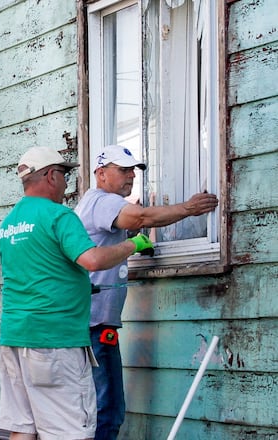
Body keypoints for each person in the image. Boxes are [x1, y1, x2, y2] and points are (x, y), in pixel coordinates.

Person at [0, 146, 154, 440]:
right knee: (70, 431)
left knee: (23, 429)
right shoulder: (58, 216)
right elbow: (92, 259)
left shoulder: (8, 225)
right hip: (55, 341)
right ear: (51, 175)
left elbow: (39, 274)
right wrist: (133, 245)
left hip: (14, 339)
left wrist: (78, 287)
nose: (67, 184)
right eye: (65, 174)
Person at [74, 145, 219, 440]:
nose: (130, 177)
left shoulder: (96, 203)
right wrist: (188, 209)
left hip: (87, 322)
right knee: (108, 409)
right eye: (123, 170)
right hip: (95, 325)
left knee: (93, 408)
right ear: (101, 174)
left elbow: (125, 225)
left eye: (133, 171)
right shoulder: (102, 201)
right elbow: (140, 218)